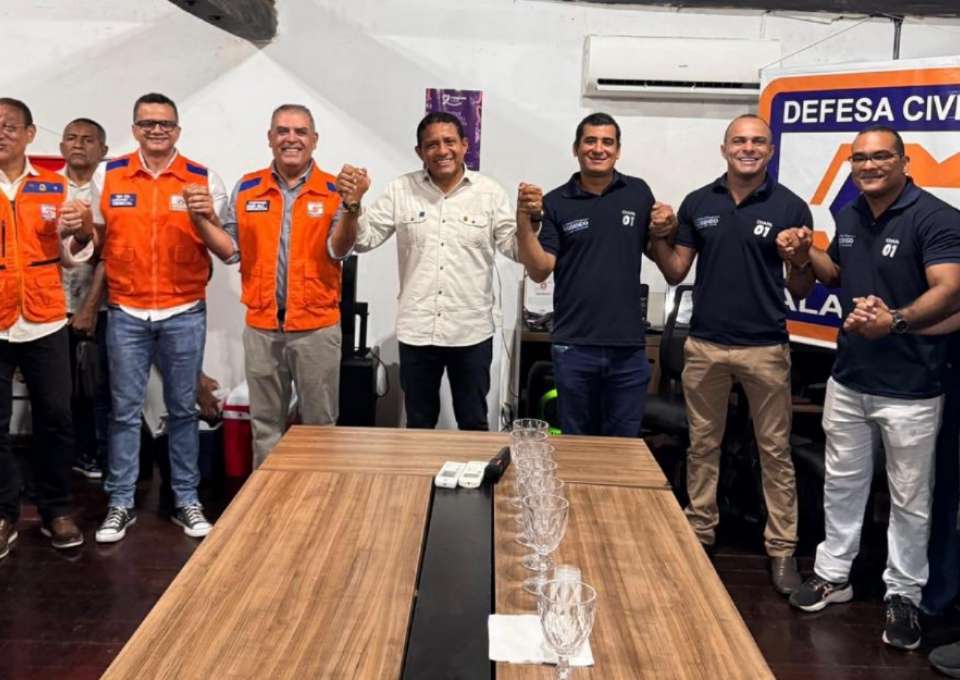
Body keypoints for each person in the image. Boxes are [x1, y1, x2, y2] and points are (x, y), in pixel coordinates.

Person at [780, 125, 960, 650]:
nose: (869, 166)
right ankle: (833, 574)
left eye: (880, 156)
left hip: (912, 385)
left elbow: (950, 290)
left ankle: (903, 593)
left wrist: (895, 321)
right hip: (850, 377)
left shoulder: (937, 218)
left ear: (905, 162)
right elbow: (836, 273)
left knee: (910, 498)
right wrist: (805, 251)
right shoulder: (850, 214)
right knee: (841, 483)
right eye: (859, 158)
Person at [646, 114, 811, 594]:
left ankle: (782, 548)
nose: (748, 148)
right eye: (739, 140)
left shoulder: (790, 205)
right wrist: (659, 235)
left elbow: (801, 287)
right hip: (706, 346)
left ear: (770, 150)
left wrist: (800, 256)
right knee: (703, 446)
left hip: (765, 347)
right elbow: (676, 271)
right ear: (724, 149)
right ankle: (700, 532)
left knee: (775, 451)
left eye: (758, 141)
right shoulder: (700, 202)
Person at [90, 92, 228, 543]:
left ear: (177, 130)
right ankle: (120, 502)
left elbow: (224, 246)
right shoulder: (107, 174)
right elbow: (95, 241)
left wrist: (206, 214)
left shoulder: (202, 178)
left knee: (183, 410)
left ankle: (186, 499)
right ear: (134, 129)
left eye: (165, 123)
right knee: (124, 413)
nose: (156, 130)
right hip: (126, 310)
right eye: (147, 123)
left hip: (183, 309)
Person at [195, 104, 355, 467]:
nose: (291, 139)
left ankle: (316, 496)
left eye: (300, 132)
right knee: (265, 426)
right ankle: (268, 498)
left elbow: (339, 250)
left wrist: (352, 207)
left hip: (316, 328)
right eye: (282, 131)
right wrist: (201, 220)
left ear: (314, 140)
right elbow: (230, 251)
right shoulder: (248, 187)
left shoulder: (335, 189)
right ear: (270, 138)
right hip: (262, 327)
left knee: (319, 426)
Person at [349, 111, 519, 430]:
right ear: (420, 151)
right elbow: (363, 240)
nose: (442, 151)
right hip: (418, 330)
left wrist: (529, 219)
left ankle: (474, 467)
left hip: (471, 331)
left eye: (449, 141)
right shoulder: (401, 190)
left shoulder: (490, 193)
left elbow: (516, 249)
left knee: (473, 421)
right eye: (432, 144)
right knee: (419, 422)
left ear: (464, 145)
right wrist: (354, 204)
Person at [515, 112, 671, 437]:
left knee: (624, 446)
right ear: (576, 148)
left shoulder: (638, 192)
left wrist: (669, 225)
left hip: (628, 348)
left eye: (607, 142)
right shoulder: (556, 202)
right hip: (574, 346)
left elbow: (659, 251)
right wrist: (523, 221)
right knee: (577, 444)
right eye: (590, 141)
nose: (598, 149)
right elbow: (540, 268)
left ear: (618, 150)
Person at [0, 97, 93, 557]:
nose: (1, 133)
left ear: (29, 134)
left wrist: (84, 229)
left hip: (45, 319)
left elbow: (74, 256)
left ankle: (56, 509)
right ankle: (4, 513)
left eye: (9, 126)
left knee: (56, 418)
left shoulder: (55, 188)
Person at [59, 118, 110, 480]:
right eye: (72, 138)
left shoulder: (110, 193)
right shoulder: (45, 188)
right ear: (61, 146)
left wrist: (90, 306)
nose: (78, 144)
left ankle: (98, 454)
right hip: (48, 307)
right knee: (57, 392)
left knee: (99, 387)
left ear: (103, 150)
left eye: (88, 139)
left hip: (100, 305)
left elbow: (111, 255)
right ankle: (64, 459)